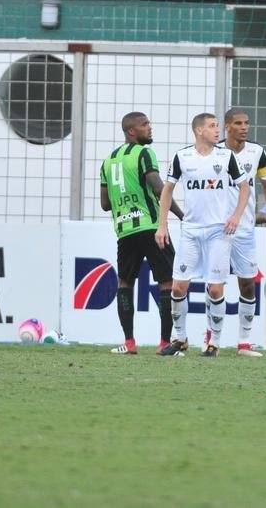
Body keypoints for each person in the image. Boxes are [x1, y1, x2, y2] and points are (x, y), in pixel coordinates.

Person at [157, 113, 249, 357]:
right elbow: (167, 191)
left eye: (217, 126)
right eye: (211, 126)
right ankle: (181, 339)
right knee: (178, 287)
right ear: (199, 131)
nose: (217, 130)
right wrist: (162, 225)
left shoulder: (226, 156)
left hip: (218, 231)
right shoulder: (182, 156)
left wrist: (236, 216)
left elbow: (245, 187)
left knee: (216, 290)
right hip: (191, 231)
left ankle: (214, 343)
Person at [100, 112, 183, 355]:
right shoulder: (144, 153)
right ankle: (164, 343)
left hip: (125, 231)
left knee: (125, 282)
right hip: (150, 226)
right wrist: (180, 215)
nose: (150, 127)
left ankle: (129, 343)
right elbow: (158, 186)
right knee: (167, 281)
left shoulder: (108, 161)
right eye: (145, 124)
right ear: (131, 131)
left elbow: (105, 204)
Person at [217, 108, 266, 356]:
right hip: (218, 230)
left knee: (247, 285)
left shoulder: (257, 152)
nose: (244, 127)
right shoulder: (216, 153)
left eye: (246, 123)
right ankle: (212, 340)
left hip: (245, 230)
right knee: (215, 286)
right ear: (227, 127)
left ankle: (243, 343)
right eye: (238, 123)